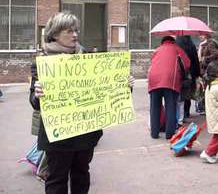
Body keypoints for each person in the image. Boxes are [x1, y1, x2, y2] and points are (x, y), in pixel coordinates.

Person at [31, 12, 135, 194]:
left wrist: (124, 85)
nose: (75, 35)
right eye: (69, 31)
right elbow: (34, 102)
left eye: (76, 30)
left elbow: (106, 89)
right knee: (57, 179)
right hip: (58, 137)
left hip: (85, 133)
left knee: (81, 175)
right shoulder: (43, 62)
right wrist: (38, 94)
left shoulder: (88, 58)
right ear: (55, 34)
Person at [147, 36, 190, 139]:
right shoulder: (177, 49)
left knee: (154, 107)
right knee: (170, 107)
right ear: (173, 41)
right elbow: (187, 64)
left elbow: (152, 62)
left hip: (153, 79)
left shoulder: (157, 50)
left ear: (162, 42)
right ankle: (169, 133)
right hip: (170, 80)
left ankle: (154, 133)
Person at [176, 35, 200, 119]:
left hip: (179, 71)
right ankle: (186, 112)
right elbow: (195, 59)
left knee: (180, 93)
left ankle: (180, 115)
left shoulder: (176, 44)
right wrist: (197, 73)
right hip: (190, 71)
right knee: (188, 93)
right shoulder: (191, 45)